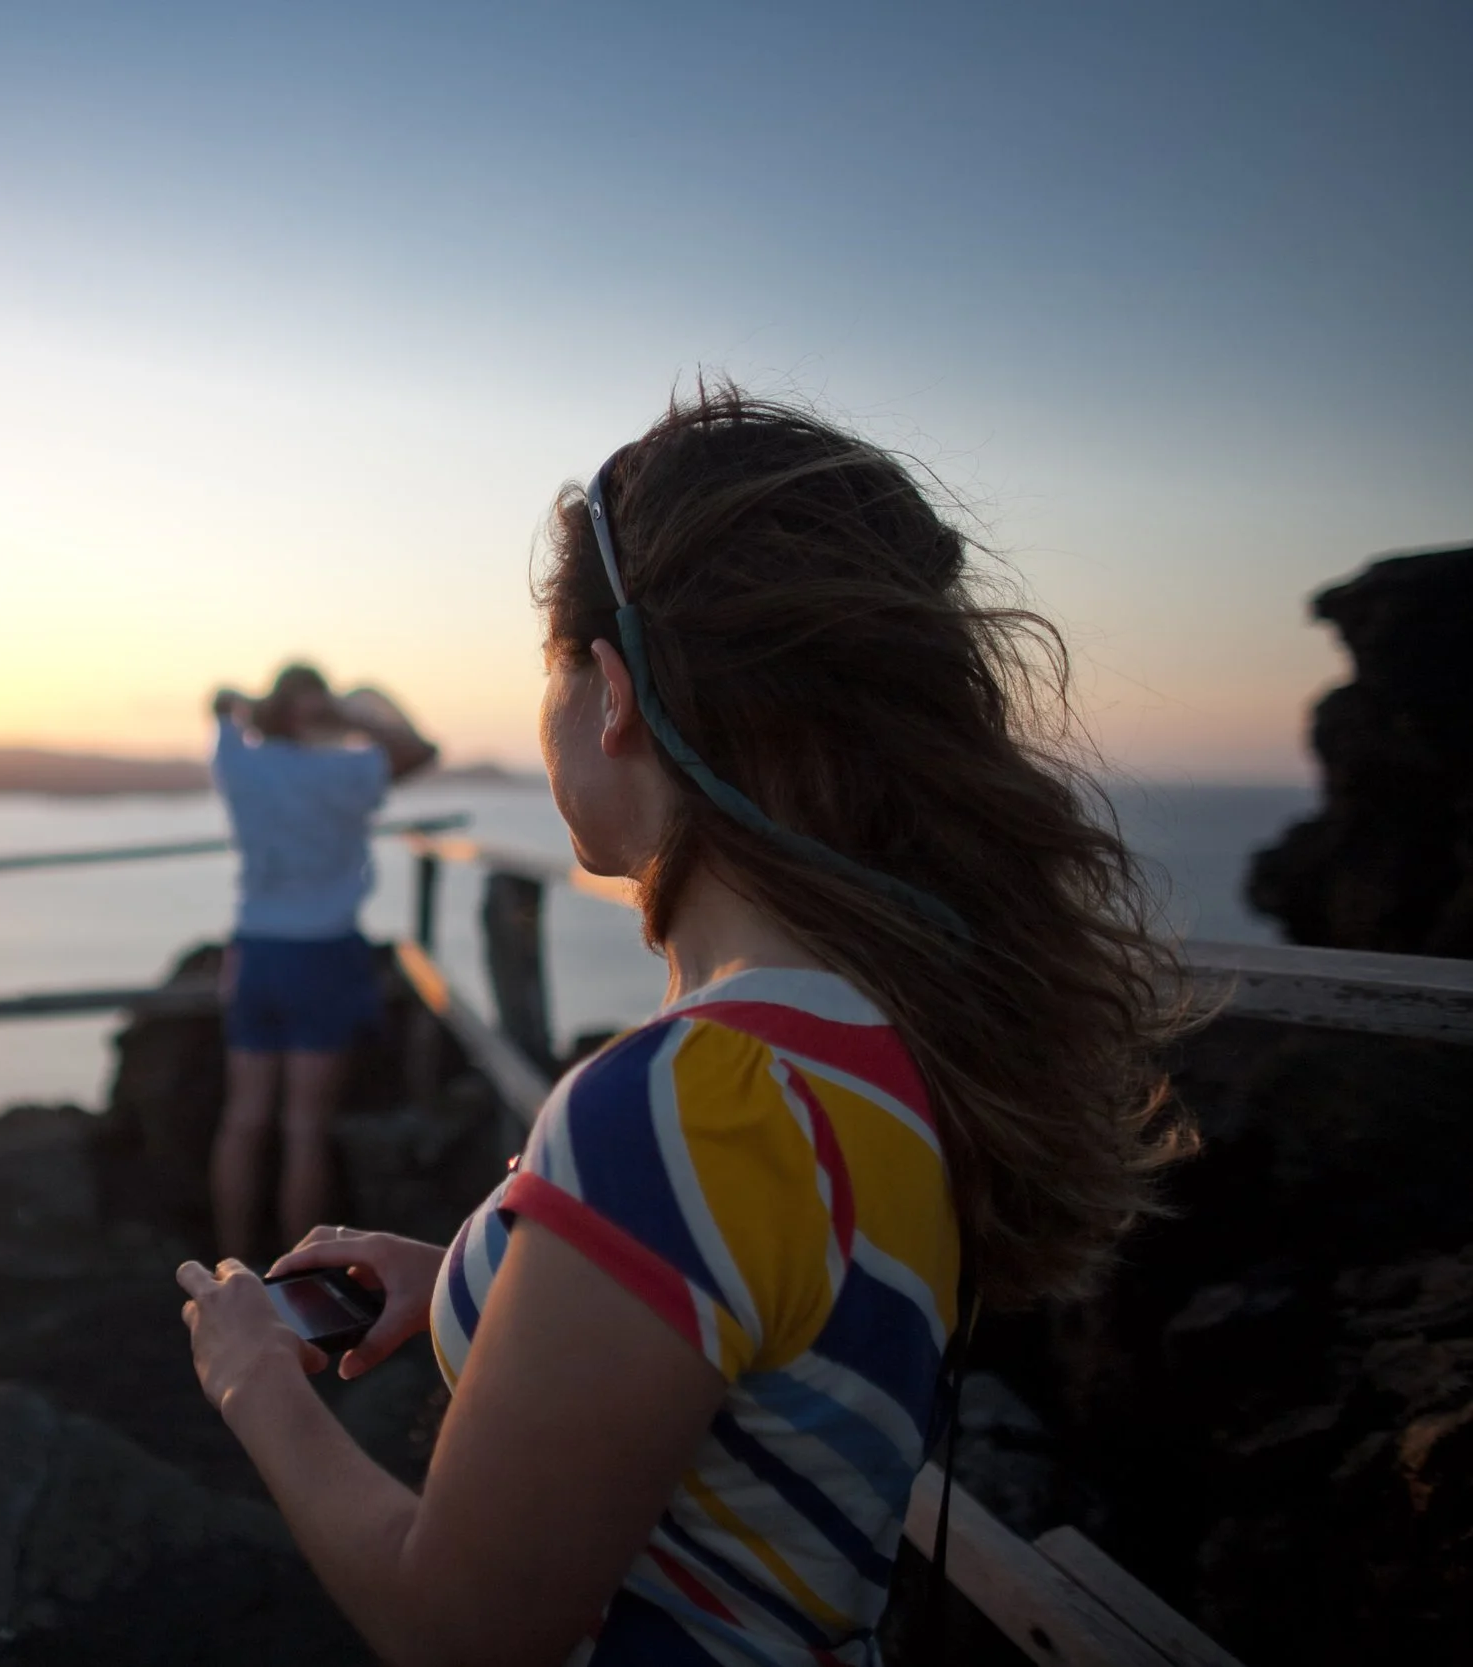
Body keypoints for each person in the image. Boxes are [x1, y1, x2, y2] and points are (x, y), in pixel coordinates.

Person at [177, 386, 1186, 1666]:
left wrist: (254, 1375)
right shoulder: (899, 1037)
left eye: (546, 670)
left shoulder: (673, 1104)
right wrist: (487, 1275)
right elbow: (758, 1327)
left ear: (610, 692)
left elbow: (461, 1628)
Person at [207, 665, 438, 1263]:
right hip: (324, 954)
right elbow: (419, 753)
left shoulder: (241, 766)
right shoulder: (348, 771)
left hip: (257, 952)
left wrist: (252, 704)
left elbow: (221, 705)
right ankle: (293, 1281)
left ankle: (231, 1269)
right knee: (305, 1127)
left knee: (244, 1119)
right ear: (314, 712)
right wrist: (347, 712)